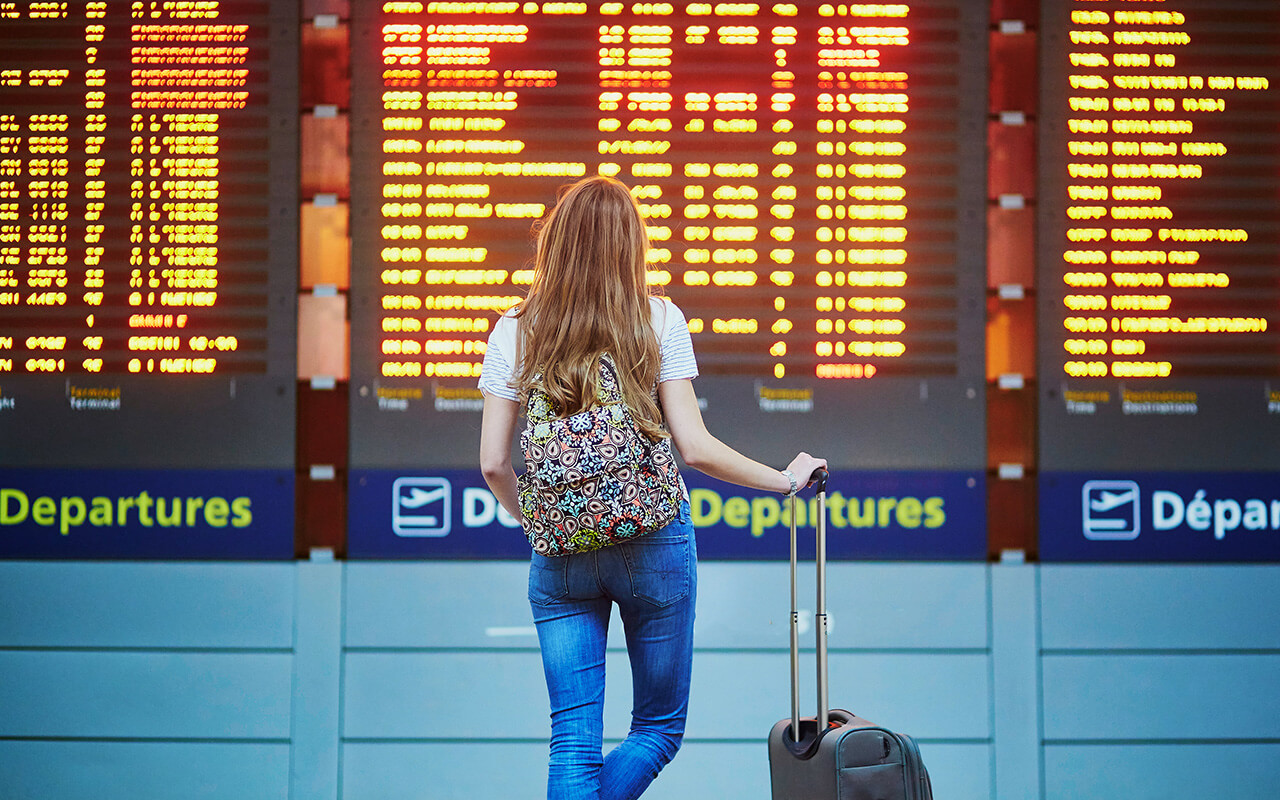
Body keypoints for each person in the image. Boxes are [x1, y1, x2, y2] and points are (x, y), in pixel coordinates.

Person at [478, 175, 826, 800]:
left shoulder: (514, 330)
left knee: (572, 741)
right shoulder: (658, 320)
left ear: (554, 243)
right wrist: (784, 481)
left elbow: (493, 466)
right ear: (630, 246)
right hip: (653, 543)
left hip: (559, 555)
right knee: (659, 727)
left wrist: (538, 521)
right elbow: (694, 448)